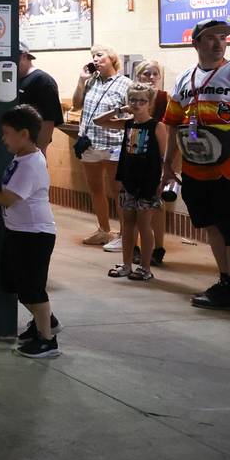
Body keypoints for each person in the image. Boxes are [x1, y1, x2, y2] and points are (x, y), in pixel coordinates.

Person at [161, 19, 230, 312]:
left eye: (222, 37)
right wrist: (167, 165)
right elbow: (173, 125)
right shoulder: (185, 79)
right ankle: (226, 282)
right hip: (196, 170)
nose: (218, 43)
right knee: (211, 225)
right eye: (210, 37)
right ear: (196, 42)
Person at [0, 105, 61, 359]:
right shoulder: (23, 157)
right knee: (17, 284)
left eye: (7, 133)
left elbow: (7, 199)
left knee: (33, 289)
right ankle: (46, 322)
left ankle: (47, 340)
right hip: (18, 231)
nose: (3, 138)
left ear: (24, 134)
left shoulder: (30, 164)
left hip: (34, 235)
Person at [95, 82, 166, 282]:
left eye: (142, 101)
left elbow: (163, 155)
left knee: (144, 224)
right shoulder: (128, 123)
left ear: (149, 103)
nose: (137, 104)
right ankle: (126, 263)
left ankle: (145, 267)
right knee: (127, 223)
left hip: (148, 181)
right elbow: (99, 121)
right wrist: (120, 110)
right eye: (133, 100)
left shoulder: (156, 126)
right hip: (129, 179)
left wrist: (160, 182)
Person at [70, 44, 131, 246]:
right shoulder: (90, 82)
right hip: (90, 142)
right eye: (93, 56)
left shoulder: (125, 83)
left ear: (112, 58)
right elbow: (76, 104)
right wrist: (81, 80)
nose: (95, 59)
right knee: (95, 187)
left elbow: (131, 115)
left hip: (113, 142)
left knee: (117, 190)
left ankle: (125, 234)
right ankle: (104, 230)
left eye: (99, 55)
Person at [133, 59, 171, 264]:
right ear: (138, 75)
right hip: (136, 155)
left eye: (155, 73)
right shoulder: (134, 97)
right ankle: (135, 247)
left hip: (156, 156)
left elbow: (168, 128)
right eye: (146, 73)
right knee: (133, 204)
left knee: (157, 203)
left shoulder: (165, 98)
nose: (151, 77)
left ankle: (158, 248)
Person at [15, 41, 62, 151]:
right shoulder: (12, 79)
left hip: (32, 145)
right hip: (16, 144)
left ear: (24, 56)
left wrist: (40, 151)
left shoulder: (43, 80)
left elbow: (48, 120)